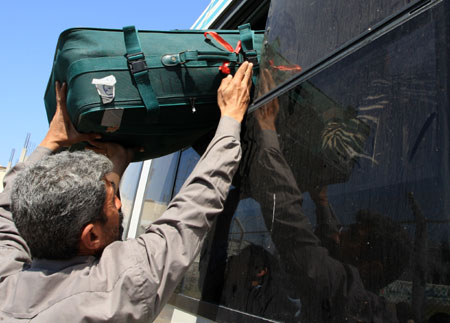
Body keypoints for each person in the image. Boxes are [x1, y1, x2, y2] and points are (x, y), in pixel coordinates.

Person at [0, 61, 253, 322]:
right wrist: (231, 119)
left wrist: (53, 140)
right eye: (112, 201)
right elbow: (193, 208)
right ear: (91, 236)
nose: (119, 205)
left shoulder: (7, 280)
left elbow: (7, 211)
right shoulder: (114, 293)